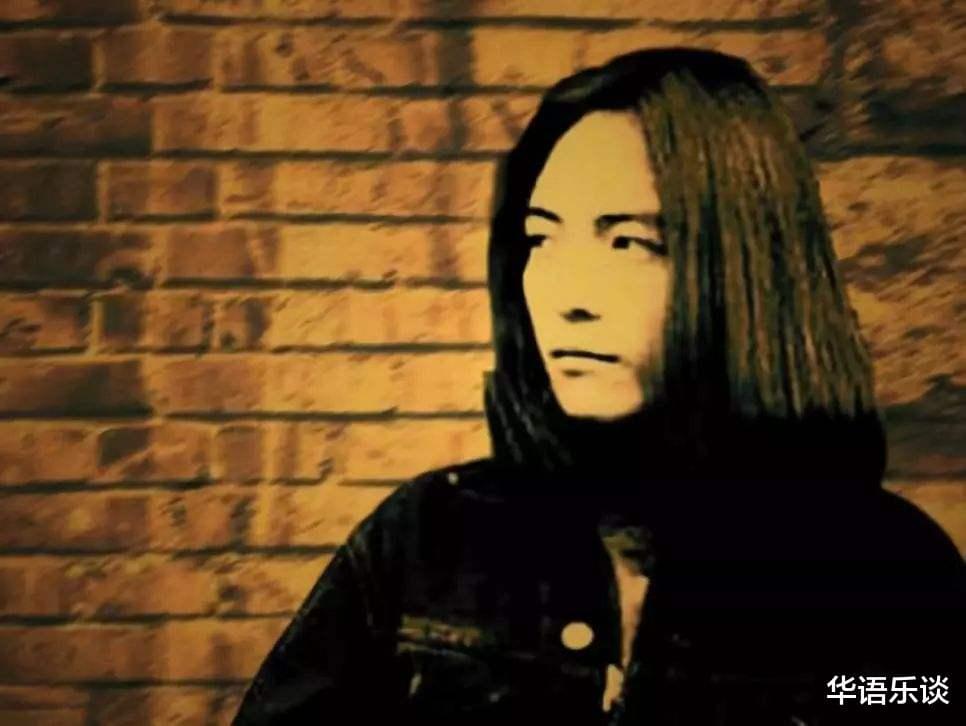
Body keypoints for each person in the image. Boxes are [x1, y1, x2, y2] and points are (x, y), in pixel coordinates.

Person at [232, 48, 964, 725]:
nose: (569, 295)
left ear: (738, 265)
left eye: (628, 242)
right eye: (541, 238)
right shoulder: (427, 540)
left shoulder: (885, 570)